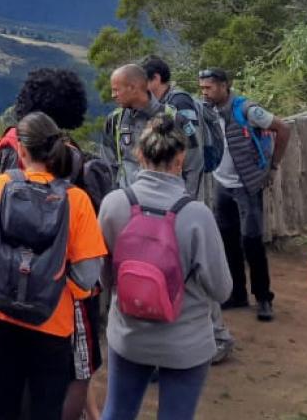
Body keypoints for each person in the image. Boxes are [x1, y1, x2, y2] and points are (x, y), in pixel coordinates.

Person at [0, 112, 108, 420]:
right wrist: (50, 280)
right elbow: (87, 278)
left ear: (20, 150)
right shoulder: (77, 200)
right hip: (52, 322)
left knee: (3, 409)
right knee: (46, 409)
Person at [96, 112, 233, 420]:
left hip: (128, 335)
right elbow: (222, 289)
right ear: (181, 158)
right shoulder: (196, 215)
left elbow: (104, 278)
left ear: (138, 154)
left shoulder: (114, 204)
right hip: (185, 342)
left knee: (116, 411)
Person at [199, 68, 290, 323]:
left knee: (252, 241)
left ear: (225, 85)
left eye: (209, 88)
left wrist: (273, 166)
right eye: (202, 88)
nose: (204, 92)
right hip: (222, 183)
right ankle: (237, 293)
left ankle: (263, 298)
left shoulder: (247, 110)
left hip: (247, 185)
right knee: (228, 240)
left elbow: (283, 128)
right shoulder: (208, 110)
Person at [102, 65, 193, 189]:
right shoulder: (114, 120)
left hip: (168, 202)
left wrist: (185, 201)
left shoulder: (175, 119)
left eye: (116, 90)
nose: (113, 95)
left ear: (133, 88)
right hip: (129, 201)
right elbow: (108, 166)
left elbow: (193, 165)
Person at [141, 56, 209, 199]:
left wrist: (188, 195)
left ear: (156, 78)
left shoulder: (180, 101)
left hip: (183, 186)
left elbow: (193, 146)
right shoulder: (160, 103)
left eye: (144, 81)